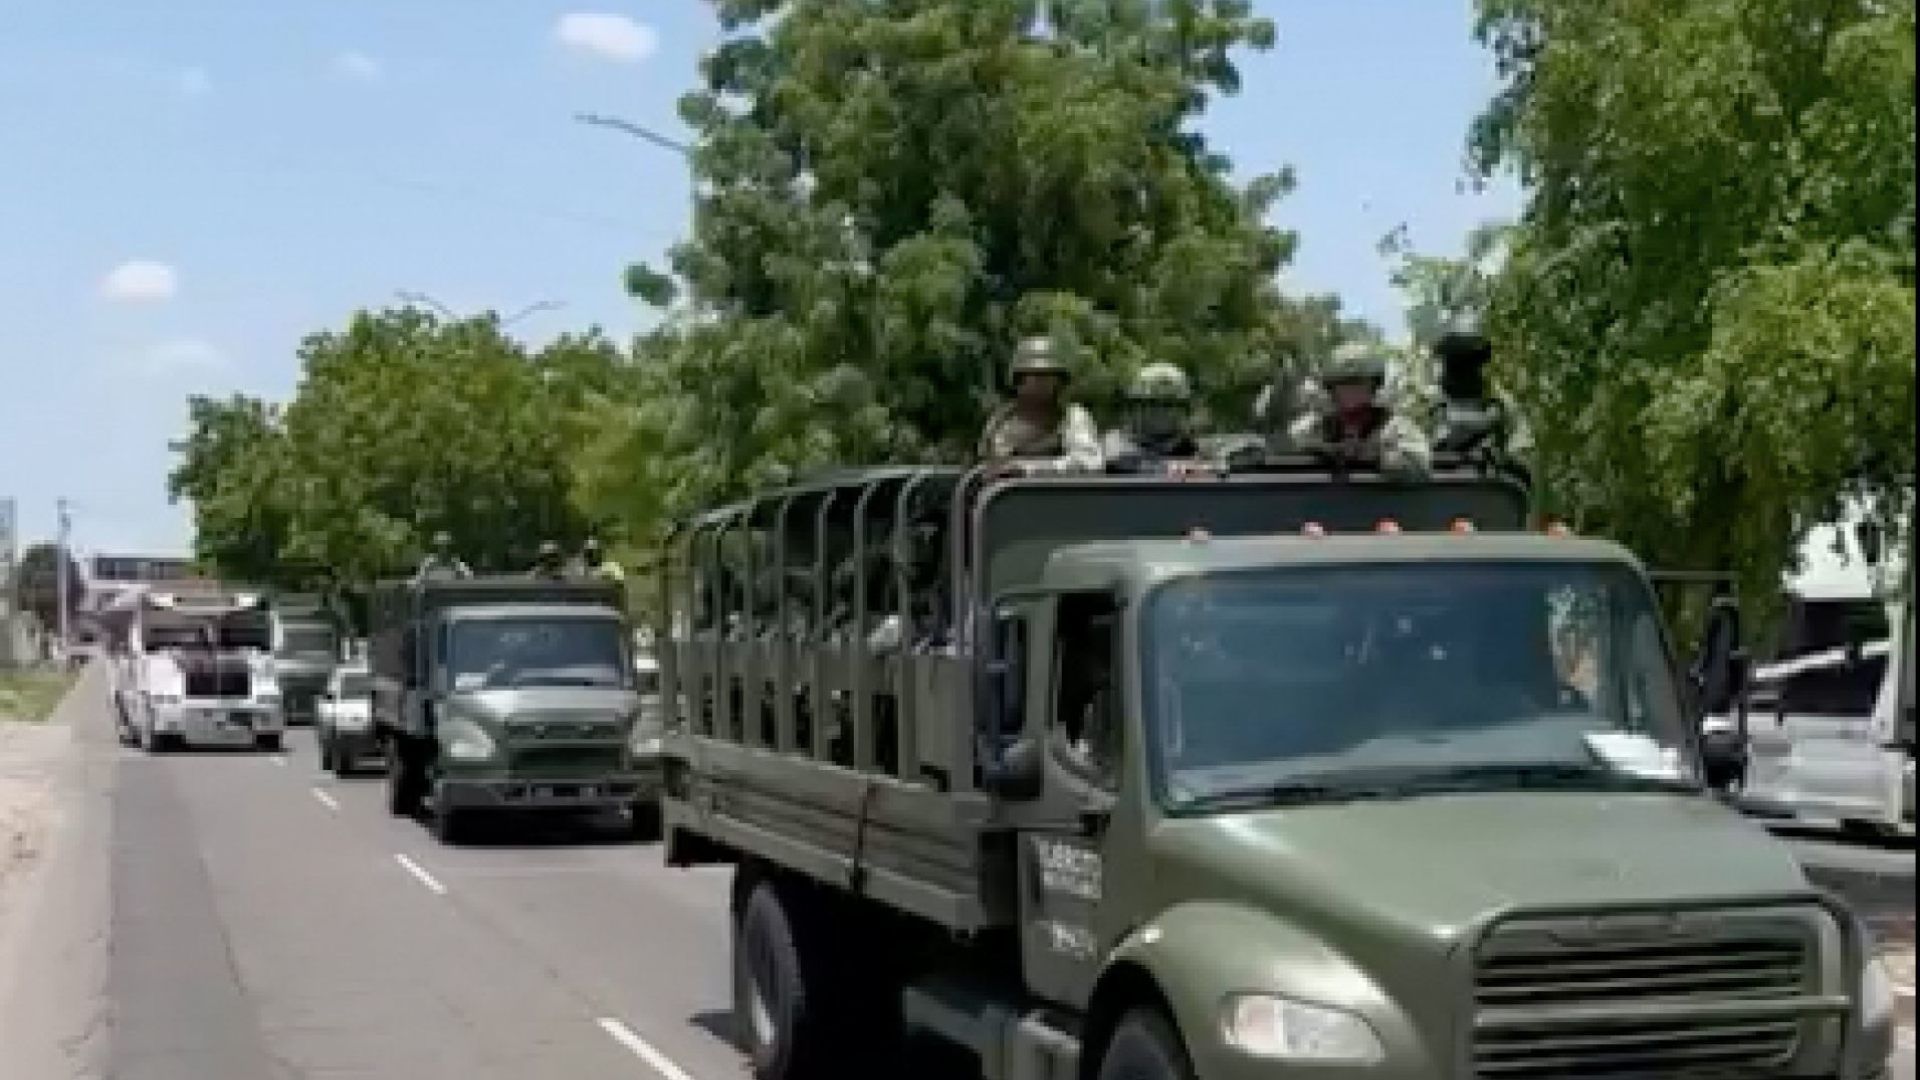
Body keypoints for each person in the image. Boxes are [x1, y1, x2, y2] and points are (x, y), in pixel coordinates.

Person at [1284, 341, 1432, 480]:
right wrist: (1328, 451)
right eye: (1343, 383)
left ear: (1374, 385)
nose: (1351, 390)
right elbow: (1280, 461)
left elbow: (1419, 467)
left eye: (1359, 382)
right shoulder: (1311, 428)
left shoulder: (1396, 427)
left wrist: (1372, 454)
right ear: (1331, 388)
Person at [976, 336, 1104, 476]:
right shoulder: (1001, 419)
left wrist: (1029, 469)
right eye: (1034, 375)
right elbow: (984, 462)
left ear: (1058, 381)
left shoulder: (1072, 417)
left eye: (1048, 376)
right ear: (1018, 380)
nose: (1041, 383)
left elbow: (1089, 462)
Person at [1104, 362, 1205, 475]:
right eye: (1155, 404)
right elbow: (1121, 464)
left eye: (1172, 405)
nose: (1166, 413)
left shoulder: (1187, 446)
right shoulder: (1117, 442)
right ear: (1137, 407)